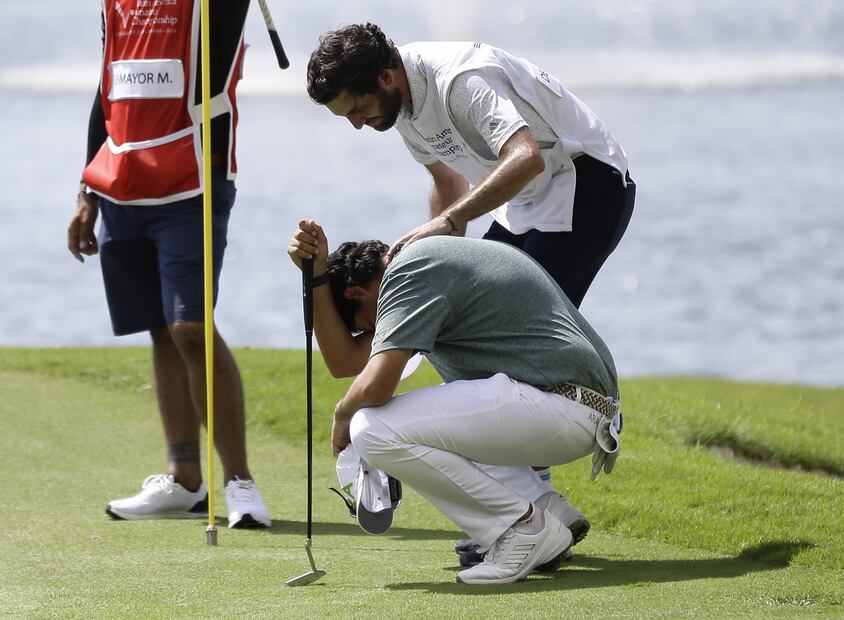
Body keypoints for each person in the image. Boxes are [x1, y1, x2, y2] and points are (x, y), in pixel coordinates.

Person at [306, 22, 635, 560]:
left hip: (586, 184)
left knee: (509, 353)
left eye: (358, 110)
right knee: (462, 337)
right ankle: (540, 507)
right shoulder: (401, 109)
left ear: (386, 76)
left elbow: (524, 154)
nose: (360, 126)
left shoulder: (460, 81)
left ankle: (530, 518)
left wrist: (449, 226)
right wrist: (422, 267)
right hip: (526, 201)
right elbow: (448, 188)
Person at [287, 220, 622, 584]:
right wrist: (315, 278)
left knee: (371, 428)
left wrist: (341, 414)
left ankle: (522, 528)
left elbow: (376, 384)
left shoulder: (408, 272)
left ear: (355, 294)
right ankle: (545, 507)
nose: (372, 334)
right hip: (579, 409)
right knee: (432, 416)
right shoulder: (420, 267)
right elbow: (345, 362)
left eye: (365, 326)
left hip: (563, 405)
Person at [67, 0, 270, 528]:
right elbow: (108, 86)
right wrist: (87, 188)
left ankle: (240, 484)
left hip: (193, 181)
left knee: (190, 328)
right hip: (122, 185)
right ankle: (184, 480)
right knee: (159, 328)